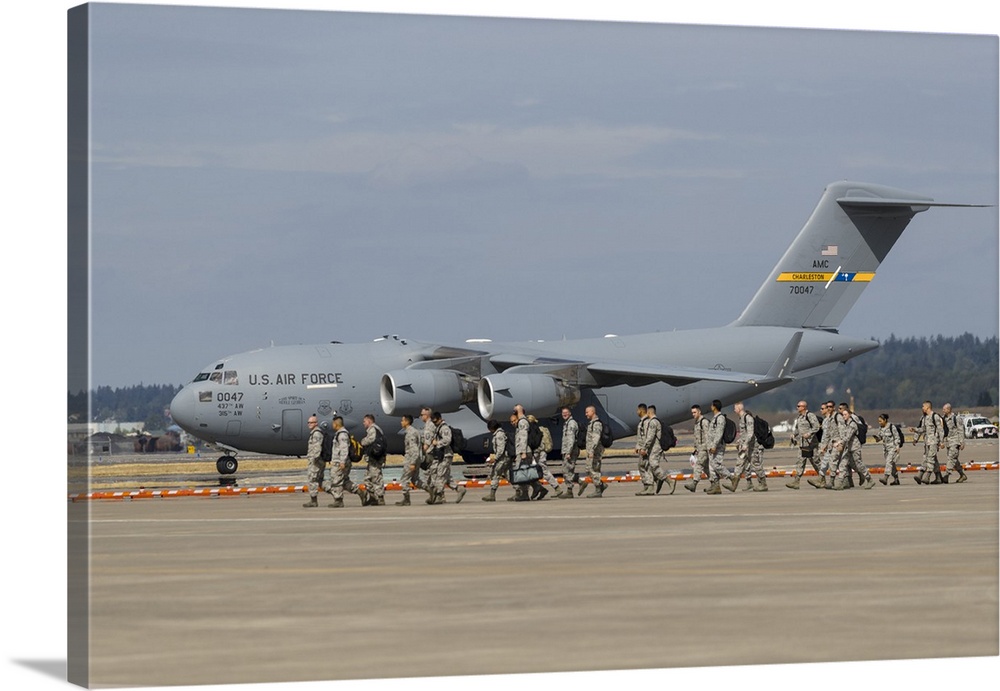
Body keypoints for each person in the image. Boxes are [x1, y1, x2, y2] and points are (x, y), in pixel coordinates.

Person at [831, 404, 876, 490]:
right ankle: (839, 483)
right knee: (843, 464)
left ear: (849, 415)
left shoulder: (852, 425)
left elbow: (847, 437)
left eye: (845, 414)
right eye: (843, 415)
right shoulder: (846, 424)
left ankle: (869, 479)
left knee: (859, 464)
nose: (843, 416)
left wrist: (839, 443)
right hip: (848, 448)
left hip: (855, 447)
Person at [328, 416, 366, 507]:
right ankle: (361, 493)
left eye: (333, 423)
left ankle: (338, 500)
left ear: (336, 424)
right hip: (339, 461)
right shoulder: (340, 434)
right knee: (344, 482)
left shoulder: (342, 435)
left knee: (336, 480)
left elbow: (344, 449)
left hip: (340, 463)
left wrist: (342, 461)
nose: (332, 425)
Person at [729, 402, 766, 492]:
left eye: (735, 408)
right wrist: (740, 441)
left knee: (755, 465)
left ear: (739, 408)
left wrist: (745, 443)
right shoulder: (741, 418)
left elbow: (750, 433)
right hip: (744, 447)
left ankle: (763, 484)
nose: (734, 410)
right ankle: (734, 485)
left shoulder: (748, 418)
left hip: (751, 447)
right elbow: (744, 433)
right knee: (739, 463)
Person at [640, 405, 677, 495]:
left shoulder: (653, 423)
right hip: (654, 448)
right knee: (649, 465)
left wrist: (644, 448)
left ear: (649, 412)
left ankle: (669, 481)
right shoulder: (657, 421)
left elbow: (650, 437)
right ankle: (658, 480)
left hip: (655, 448)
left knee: (654, 465)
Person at [787, 400, 821, 489]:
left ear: (804, 407)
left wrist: (809, 433)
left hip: (811, 444)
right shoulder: (799, 418)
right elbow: (798, 429)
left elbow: (816, 427)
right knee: (800, 462)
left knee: (815, 462)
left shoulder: (810, 416)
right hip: (802, 444)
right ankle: (796, 481)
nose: (797, 408)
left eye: (799, 406)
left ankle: (822, 479)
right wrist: (794, 434)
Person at [527, 414, 562, 499]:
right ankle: (539, 488)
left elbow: (535, 444)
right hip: (539, 453)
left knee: (542, 471)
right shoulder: (538, 429)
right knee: (537, 471)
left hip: (537, 454)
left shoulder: (533, 431)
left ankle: (556, 488)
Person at [909, 401, 944, 485]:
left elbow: (940, 430)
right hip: (927, 442)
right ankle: (938, 478)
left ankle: (927, 477)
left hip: (933, 441)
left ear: (928, 407)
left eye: (923, 406)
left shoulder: (934, 416)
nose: (922, 408)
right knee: (928, 459)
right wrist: (915, 430)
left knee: (930, 459)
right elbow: (923, 429)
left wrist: (941, 441)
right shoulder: (924, 418)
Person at [705, 399, 733, 495]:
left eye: (711, 405)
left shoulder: (720, 418)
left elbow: (719, 433)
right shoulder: (715, 418)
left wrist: (714, 445)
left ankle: (731, 477)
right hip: (712, 446)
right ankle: (715, 486)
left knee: (716, 464)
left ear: (714, 407)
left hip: (717, 446)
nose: (710, 407)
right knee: (711, 466)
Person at [580, 405, 608, 498]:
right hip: (591, 451)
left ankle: (598, 488)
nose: (586, 414)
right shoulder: (591, 423)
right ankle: (601, 485)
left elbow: (596, 438)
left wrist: (591, 450)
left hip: (595, 451)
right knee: (590, 469)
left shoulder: (596, 424)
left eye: (587, 412)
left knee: (593, 469)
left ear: (593, 412)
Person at [482, 419, 514, 502]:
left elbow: (500, 449)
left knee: (495, 474)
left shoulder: (499, 435)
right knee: (509, 475)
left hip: (502, 459)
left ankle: (492, 495)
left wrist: (495, 458)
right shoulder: (499, 434)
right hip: (505, 458)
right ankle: (519, 491)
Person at [808, 401, 837, 489]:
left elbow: (833, 433)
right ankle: (821, 480)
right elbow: (825, 435)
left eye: (822, 408)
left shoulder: (834, 419)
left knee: (845, 463)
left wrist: (827, 444)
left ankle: (865, 477)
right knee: (825, 463)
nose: (821, 410)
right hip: (827, 445)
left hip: (834, 444)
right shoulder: (825, 420)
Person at [395, 415, 424, 505]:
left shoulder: (411, 433)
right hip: (415, 458)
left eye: (402, 420)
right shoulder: (413, 431)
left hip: (411, 459)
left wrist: (412, 463)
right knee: (415, 480)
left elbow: (414, 449)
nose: (401, 422)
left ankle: (406, 499)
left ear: (407, 422)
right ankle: (431, 489)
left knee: (404, 479)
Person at [359, 414, 387, 506]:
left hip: (375, 459)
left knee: (376, 477)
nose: (363, 423)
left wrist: (362, 442)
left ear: (369, 421)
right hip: (372, 459)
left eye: (364, 421)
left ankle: (380, 497)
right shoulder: (375, 429)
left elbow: (370, 440)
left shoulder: (373, 429)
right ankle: (372, 497)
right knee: (367, 478)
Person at [684, 404, 712, 492]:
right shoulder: (697, 423)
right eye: (692, 413)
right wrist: (696, 448)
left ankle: (694, 483)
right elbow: (697, 437)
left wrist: (708, 448)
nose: (693, 414)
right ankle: (715, 483)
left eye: (695, 412)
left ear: (699, 412)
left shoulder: (704, 422)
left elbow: (708, 436)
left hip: (704, 448)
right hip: (700, 449)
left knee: (698, 465)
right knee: (706, 468)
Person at [302, 415, 327, 508]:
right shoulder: (314, 433)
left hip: (316, 461)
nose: (309, 424)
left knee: (312, 479)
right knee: (320, 481)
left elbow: (317, 448)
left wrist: (314, 459)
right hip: (316, 460)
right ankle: (335, 493)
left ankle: (313, 500)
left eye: (311, 422)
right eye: (308, 422)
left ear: (316, 423)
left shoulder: (316, 434)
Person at [941, 403, 968, 483]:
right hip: (948, 442)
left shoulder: (956, 418)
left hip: (955, 441)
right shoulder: (943, 419)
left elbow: (960, 430)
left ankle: (946, 475)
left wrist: (962, 443)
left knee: (951, 458)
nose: (943, 411)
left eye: (944, 409)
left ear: (949, 409)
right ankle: (962, 475)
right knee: (954, 460)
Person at [873, 413, 903, 485]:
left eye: (881, 421)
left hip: (892, 448)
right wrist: (877, 438)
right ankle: (896, 479)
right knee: (892, 464)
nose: (879, 423)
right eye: (879, 421)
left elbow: (897, 437)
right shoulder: (881, 428)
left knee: (888, 462)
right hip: (886, 449)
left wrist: (897, 446)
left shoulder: (891, 427)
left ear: (885, 420)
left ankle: (885, 477)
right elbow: (880, 437)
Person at [558, 406, 580, 499]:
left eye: (566, 413)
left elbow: (571, 439)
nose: (564, 414)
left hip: (570, 451)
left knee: (567, 471)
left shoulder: (571, 424)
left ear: (570, 413)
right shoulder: (566, 424)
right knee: (566, 470)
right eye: (563, 413)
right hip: (567, 450)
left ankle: (570, 491)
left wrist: (568, 452)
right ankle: (580, 483)